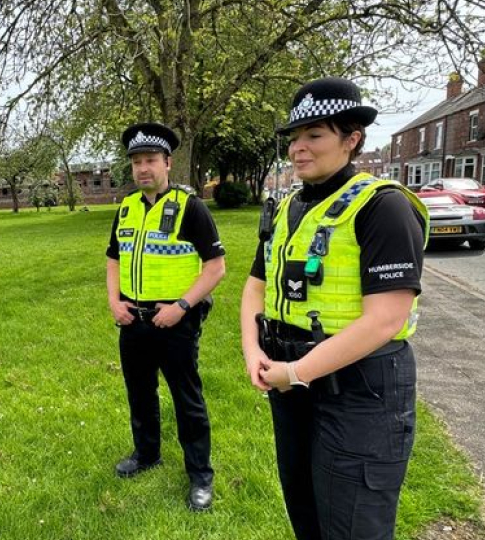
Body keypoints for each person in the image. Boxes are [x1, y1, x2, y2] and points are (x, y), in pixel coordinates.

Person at [240, 77, 429, 539]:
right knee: (305, 514)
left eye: (314, 135)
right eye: (294, 138)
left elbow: (387, 318)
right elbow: (254, 285)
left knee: (353, 526)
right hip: (292, 384)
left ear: (352, 139)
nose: (297, 149)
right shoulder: (286, 208)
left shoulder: (382, 207)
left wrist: (297, 370)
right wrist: (253, 350)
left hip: (361, 393)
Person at [106, 122, 226, 511]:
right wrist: (114, 301)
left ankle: (200, 475)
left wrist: (181, 307)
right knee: (139, 392)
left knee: (186, 399)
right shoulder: (125, 208)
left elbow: (215, 268)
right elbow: (113, 258)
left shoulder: (191, 208)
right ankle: (146, 454)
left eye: (150, 160)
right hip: (133, 320)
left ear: (167, 163)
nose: (143, 168)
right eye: (137, 162)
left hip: (175, 322)